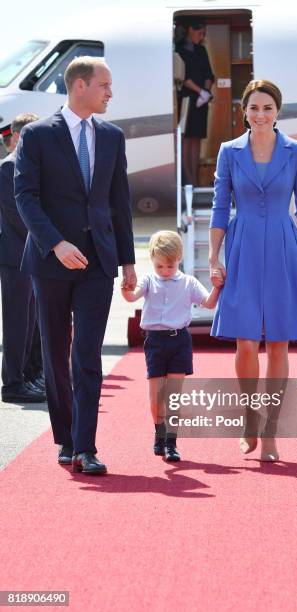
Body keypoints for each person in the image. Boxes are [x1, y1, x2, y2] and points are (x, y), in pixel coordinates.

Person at [15, 56, 136, 475]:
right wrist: (56, 243)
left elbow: (119, 203)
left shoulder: (113, 136)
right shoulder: (36, 135)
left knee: (87, 354)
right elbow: (25, 197)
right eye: (104, 85)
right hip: (50, 262)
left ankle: (86, 446)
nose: (110, 93)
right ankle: (65, 439)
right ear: (80, 85)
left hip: (98, 262)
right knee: (55, 352)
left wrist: (128, 261)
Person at [209, 79, 297, 461]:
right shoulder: (229, 152)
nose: (260, 115)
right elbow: (220, 207)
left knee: (277, 342)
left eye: (267, 109)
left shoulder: (296, 151)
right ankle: (248, 416)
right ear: (244, 110)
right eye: (254, 108)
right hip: (242, 247)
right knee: (244, 341)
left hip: (282, 246)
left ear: (278, 112)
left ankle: (271, 430)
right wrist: (214, 258)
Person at [122, 230, 221, 462]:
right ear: (152, 260)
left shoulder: (188, 282)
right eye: (160, 267)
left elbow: (207, 303)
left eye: (170, 266)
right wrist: (126, 289)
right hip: (155, 341)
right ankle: (159, 433)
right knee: (157, 397)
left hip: (179, 341)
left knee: (174, 396)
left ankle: (171, 443)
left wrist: (217, 287)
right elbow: (132, 297)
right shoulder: (148, 280)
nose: (165, 272)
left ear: (179, 260)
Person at [0, 113, 46, 403]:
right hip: (16, 255)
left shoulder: (28, 165)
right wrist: (48, 239)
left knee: (30, 321)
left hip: (30, 254)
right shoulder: (8, 167)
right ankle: (12, 383)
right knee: (18, 322)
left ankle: (26, 376)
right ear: (18, 136)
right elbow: (17, 216)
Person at [176, 18, 214, 186]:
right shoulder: (179, 49)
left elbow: (209, 74)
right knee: (185, 139)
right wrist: (200, 92)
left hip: (201, 100)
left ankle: (195, 178)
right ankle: (187, 178)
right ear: (191, 29)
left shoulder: (201, 50)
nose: (202, 36)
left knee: (196, 138)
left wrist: (205, 93)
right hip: (186, 99)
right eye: (200, 33)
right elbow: (183, 77)